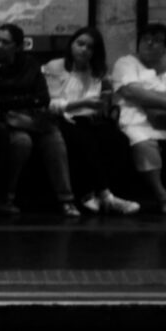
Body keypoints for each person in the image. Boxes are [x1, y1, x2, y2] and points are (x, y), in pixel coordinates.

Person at [47, 24, 140, 215]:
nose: (84, 50)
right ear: (71, 44)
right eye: (80, 44)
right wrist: (85, 103)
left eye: (90, 47)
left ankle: (102, 194)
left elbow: (100, 98)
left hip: (87, 117)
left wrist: (101, 105)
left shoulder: (96, 70)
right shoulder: (55, 66)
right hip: (60, 117)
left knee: (117, 139)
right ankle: (103, 195)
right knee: (82, 137)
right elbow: (52, 104)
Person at [0, 23, 71, 216]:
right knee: (21, 142)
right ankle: (6, 197)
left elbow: (42, 97)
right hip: (4, 119)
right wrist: (20, 101)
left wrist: (14, 101)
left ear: (17, 46)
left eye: (5, 42)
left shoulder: (29, 64)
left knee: (54, 139)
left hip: (29, 116)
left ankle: (66, 198)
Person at [111, 22, 166, 215]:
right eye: (145, 39)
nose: (149, 43)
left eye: (156, 40)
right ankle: (162, 196)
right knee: (144, 143)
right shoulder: (126, 63)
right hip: (138, 114)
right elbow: (133, 92)